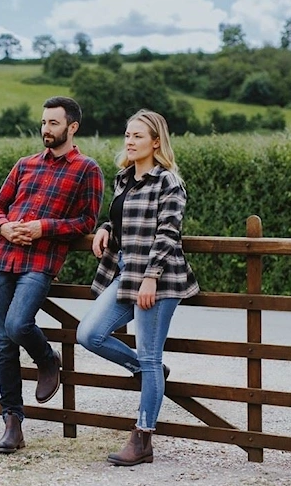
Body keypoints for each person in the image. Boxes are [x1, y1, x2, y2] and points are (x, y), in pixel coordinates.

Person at [75, 109, 199, 466]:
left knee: (150, 354)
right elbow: (122, 221)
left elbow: (167, 233)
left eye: (138, 136)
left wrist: (151, 277)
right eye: (127, 135)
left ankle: (143, 438)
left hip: (158, 278)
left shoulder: (168, 182)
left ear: (156, 142)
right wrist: (104, 228)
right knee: (89, 334)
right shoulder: (123, 179)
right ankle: (149, 373)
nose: (129, 141)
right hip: (126, 272)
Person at [0, 96, 103, 454]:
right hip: (2, 258)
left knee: (18, 326)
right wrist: (4, 228)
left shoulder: (87, 169)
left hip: (40, 261)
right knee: (4, 344)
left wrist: (43, 228)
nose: (46, 130)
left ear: (72, 127)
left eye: (53, 123)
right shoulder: (24, 165)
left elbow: (87, 221)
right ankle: (12, 422)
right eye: (43, 123)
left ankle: (47, 359)